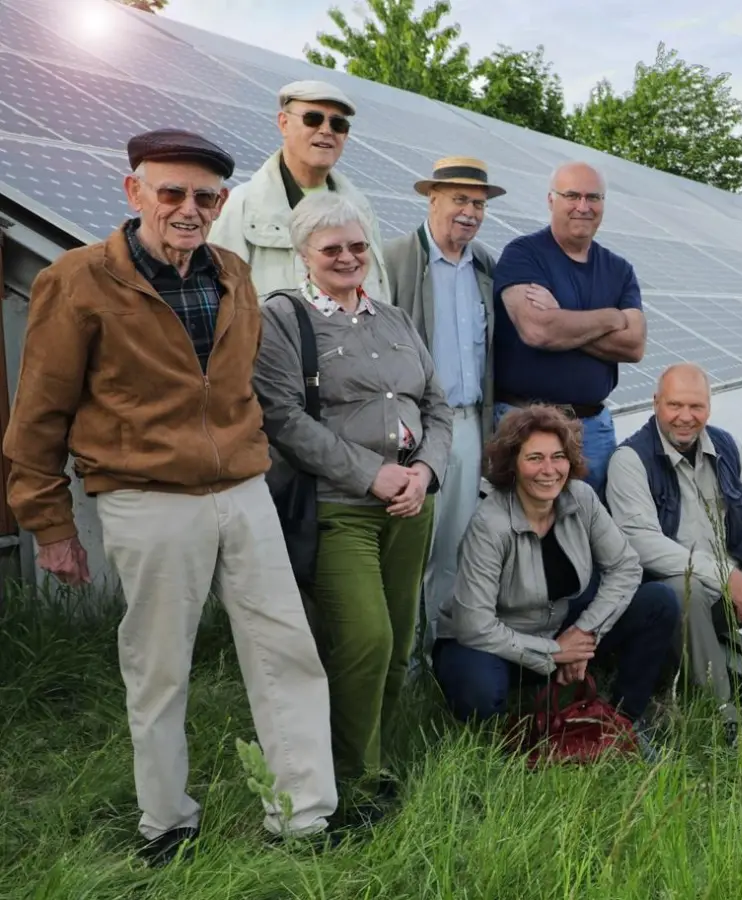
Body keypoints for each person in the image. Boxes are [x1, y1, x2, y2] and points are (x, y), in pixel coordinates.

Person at [2, 130, 338, 864]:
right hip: (147, 497)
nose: (189, 209)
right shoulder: (79, 280)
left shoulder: (232, 274)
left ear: (220, 202)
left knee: (286, 650)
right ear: (134, 194)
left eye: (205, 196)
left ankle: (304, 816)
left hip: (243, 488)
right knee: (159, 666)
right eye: (172, 193)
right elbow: (38, 414)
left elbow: (240, 381)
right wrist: (49, 523)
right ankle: (166, 824)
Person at [253, 191, 451, 797]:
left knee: (398, 641)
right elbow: (282, 417)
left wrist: (424, 474)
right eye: (332, 248)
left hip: (411, 505)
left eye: (358, 245)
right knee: (365, 638)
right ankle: (347, 775)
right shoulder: (283, 318)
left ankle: (375, 757)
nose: (348, 257)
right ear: (303, 252)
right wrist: (371, 474)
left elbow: (437, 408)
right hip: (341, 508)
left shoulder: (393, 319)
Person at [432, 405, 678, 729]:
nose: (549, 469)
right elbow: (474, 624)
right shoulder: (490, 524)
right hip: (492, 642)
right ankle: (508, 740)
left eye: (558, 456)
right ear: (513, 465)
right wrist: (553, 652)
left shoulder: (581, 497)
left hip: (560, 625)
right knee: (477, 690)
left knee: (659, 601)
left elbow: (625, 566)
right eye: (534, 458)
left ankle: (622, 719)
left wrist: (583, 633)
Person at [607, 364, 742, 734]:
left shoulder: (725, 447)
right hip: (670, 600)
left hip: (731, 584)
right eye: (674, 405)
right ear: (655, 402)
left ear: (709, 406)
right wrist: (724, 576)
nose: (686, 418)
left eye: (696, 407)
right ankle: (724, 722)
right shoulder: (630, 461)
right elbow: (641, 543)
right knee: (680, 591)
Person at [382, 157, 504, 654]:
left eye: (477, 203)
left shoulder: (485, 268)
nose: (470, 212)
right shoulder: (394, 260)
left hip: (470, 425)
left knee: (455, 546)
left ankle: (437, 654)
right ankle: (399, 660)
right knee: (408, 547)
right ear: (431, 199)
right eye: (459, 200)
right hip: (412, 428)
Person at [491, 161, 647, 495]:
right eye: (572, 195)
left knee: (591, 528)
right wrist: (610, 318)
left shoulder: (619, 269)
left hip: (592, 429)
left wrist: (562, 318)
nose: (583, 206)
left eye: (594, 197)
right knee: (525, 526)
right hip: (525, 424)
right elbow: (538, 331)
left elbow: (634, 345)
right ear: (551, 200)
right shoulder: (523, 255)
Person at [211, 80, 389, 301]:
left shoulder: (361, 209)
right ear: (283, 123)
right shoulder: (242, 205)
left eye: (338, 124)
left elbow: (377, 295)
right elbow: (221, 298)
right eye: (312, 119)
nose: (326, 130)